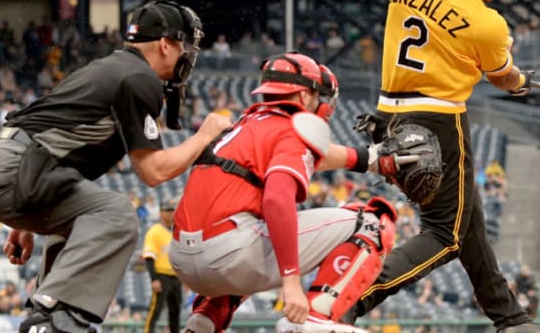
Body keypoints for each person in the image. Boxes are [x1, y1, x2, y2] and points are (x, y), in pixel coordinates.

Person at [0, 0, 231, 333]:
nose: (187, 56)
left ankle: (45, 316)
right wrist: (205, 134)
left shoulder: (109, 67)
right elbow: (154, 172)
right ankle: (57, 318)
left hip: (2, 163)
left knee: (84, 215)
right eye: (184, 46)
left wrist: (25, 223)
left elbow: (49, 134)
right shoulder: (138, 77)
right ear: (165, 44)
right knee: (116, 213)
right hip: (13, 169)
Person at [341, 0, 540, 332]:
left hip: (386, 117)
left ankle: (509, 317)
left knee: (467, 214)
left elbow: (435, 20)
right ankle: (349, 299)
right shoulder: (487, 23)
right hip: (438, 121)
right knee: (445, 234)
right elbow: (502, 77)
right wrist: (520, 81)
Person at [169, 53, 398, 333]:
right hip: (229, 254)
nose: (321, 103)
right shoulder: (292, 129)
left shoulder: (246, 124)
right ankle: (313, 318)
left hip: (185, 260)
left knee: (257, 227)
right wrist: (292, 283)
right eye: (317, 95)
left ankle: (206, 319)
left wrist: (368, 159)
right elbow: (277, 199)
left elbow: (317, 157)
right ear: (304, 96)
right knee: (371, 222)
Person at [142, 197, 182, 333]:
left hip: (175, 276)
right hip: (161, 275)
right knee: (155, 310)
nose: (171, 214)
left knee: (175, 311)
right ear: (161, 213)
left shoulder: (176, 232)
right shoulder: (154, 232)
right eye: (167, 211)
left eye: (172, 211)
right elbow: (149, 257)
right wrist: (154, 279)